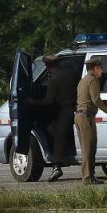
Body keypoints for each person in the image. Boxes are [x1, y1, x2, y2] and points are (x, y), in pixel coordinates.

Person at [32, 54, 77, 182]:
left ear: (49, 66)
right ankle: (67, 155)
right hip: (75, 108)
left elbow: (48, 101)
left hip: (64, 112)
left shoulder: (53, 80)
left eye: (46, 65)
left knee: (54, 133)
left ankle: (57, 166)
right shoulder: (72, 74)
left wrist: (33, 101)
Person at [75, 58, 107, 184]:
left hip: (80, 116)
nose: (102, 70)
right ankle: (88, 178)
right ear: (96, 68)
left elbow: (91, 99)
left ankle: (89, 176)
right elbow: (96, 100)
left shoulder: (83, 80)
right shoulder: (93, 80)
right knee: (89, 148)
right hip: (86, 117)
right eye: (101, 68)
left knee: (86, 148)